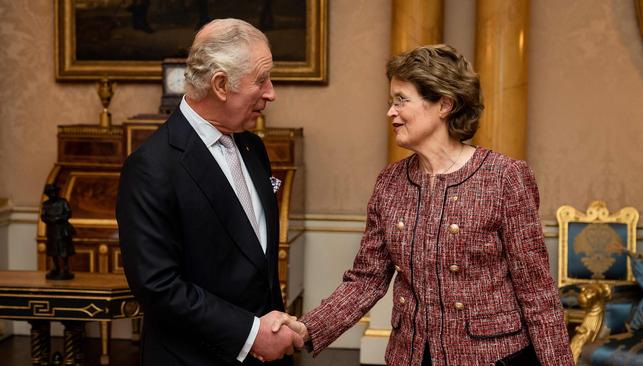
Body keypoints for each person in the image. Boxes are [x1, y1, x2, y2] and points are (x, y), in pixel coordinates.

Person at [286, 45, 574, 365]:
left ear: (444, 104)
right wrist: (305, 328)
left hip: (492, 358)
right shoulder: (390, 182)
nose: (390, 112)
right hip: (410, 356)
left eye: (401, 100)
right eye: (391, 101)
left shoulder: (505, 177)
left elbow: (537, 293)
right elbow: (367, 279)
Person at [116, 18, 302, 366]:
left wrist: (272, 332)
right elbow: (158, 287)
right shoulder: (151, 166)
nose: (271, 92)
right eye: (261, 80)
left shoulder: (253, 147)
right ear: (220, 85)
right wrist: (251, 334)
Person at [41, 184, 76, 280]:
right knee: (53, 251)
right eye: (50, 192)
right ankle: (56, 267)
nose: (53, 194)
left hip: (61, 230)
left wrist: (58, 218)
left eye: (54, 192)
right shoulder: (46, 204)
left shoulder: (63, 202)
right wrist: (50, 220)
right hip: (52, 231)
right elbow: (43, 216)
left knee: (63, 250)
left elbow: (68, 213)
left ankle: (65, 267)